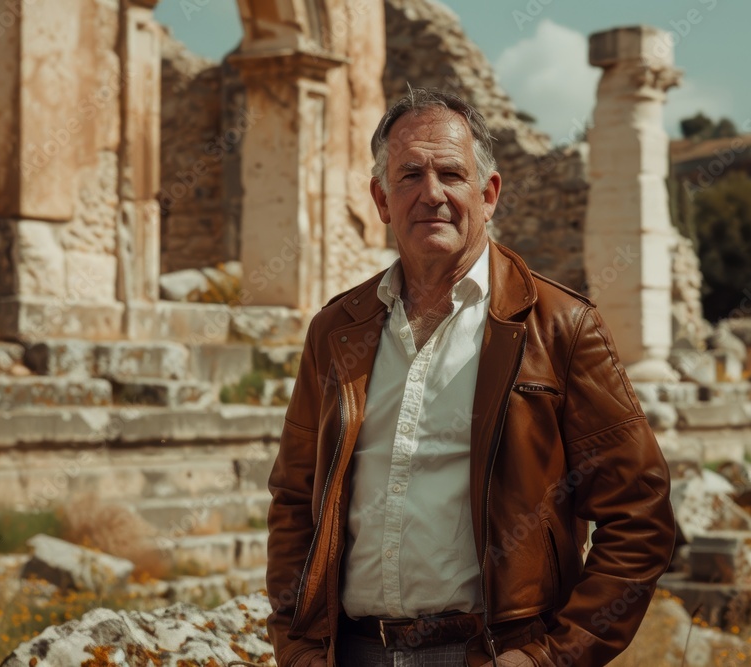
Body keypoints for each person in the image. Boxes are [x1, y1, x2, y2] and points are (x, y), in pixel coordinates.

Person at [266, 88, 675, 667]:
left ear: (489, 194)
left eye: (451, 174)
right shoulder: (336, 329)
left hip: (487, 653)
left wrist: (550, 659)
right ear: (381, 200)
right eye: (408, 175)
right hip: (352, 650)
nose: (430, 194)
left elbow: (641, 513)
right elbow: (292, 498)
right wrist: (297, 646)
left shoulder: (561, 328)